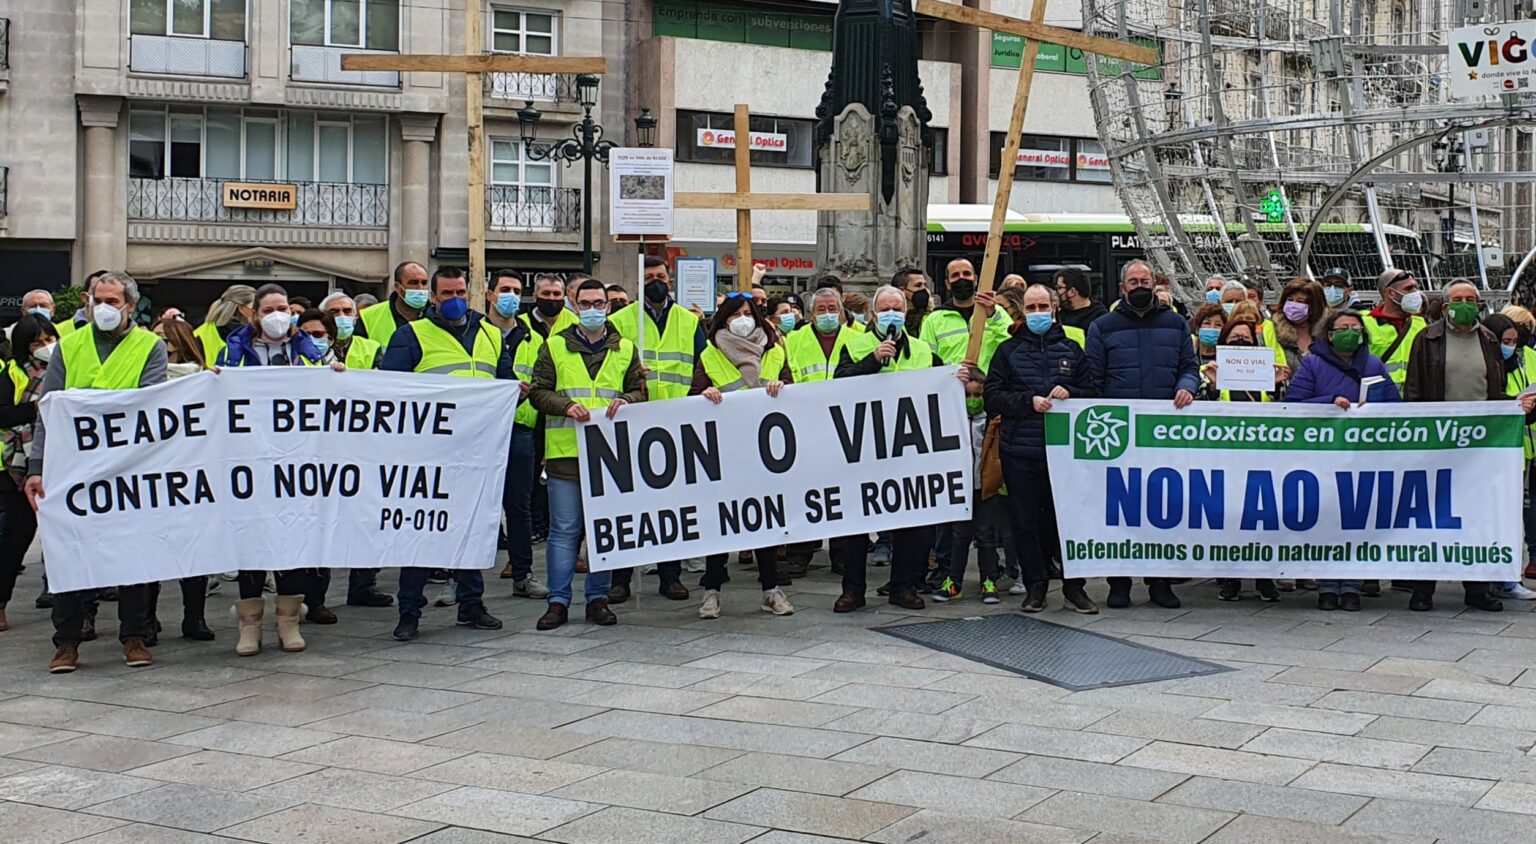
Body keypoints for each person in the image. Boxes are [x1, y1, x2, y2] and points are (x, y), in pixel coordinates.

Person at [27, 272, 166, 673]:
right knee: (68, 551)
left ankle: (134, 636)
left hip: (129, 468)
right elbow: (48, 413)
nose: (104, 307)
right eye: (98, 299)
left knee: (135, 554)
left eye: (113, 300)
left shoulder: (149, 347)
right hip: (73, 469)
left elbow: (151, 407)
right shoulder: (69, 348)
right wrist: (38, 466)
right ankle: (67, 642)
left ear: (129, 305)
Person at [381, 266, 508, 640]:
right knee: (420, 531)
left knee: (471, 529)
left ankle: (472, 604)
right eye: (447, 294)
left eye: (460, 293)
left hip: (477, 451)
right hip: (428, 454)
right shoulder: (410, 335)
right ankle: (409, 612)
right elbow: (393, 392)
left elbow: (499, 382)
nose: (454, 300)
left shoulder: (491, 333)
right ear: (433, 298)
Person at [216, 284, 331, 656]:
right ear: (254, 314)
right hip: (249, 461)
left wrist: (338, 375)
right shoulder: (234, 353)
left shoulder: (309, 354)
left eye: (284, 308)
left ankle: (288, 621)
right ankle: (249, 625)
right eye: (269, 309)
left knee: (290, 538)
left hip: (296, 460)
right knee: (250, 538)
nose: (278, 315)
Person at [831, 285, 956, 612]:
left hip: (908, 449)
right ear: (873, 315)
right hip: (864, 447)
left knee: (911, 523)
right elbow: (839, 385)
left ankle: (903, 586)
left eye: (897, 310)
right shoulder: (855, 346)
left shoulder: (923, 351)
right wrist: (873, 360)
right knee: (855, 523)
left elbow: (943, 385)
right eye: (885, 309)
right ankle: (853, 590)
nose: (892, 315)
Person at [529, 279, 644, 630]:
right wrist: (566, 406)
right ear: (574, 305)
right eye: (586, 303)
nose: (593, 309)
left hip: (608, 456)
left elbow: (640, 392)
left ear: (608, 307)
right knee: (564, 531)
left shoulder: (625, 348)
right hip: (565, 454)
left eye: (599, 303)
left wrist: (626, 401)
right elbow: (538, 393)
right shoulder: (553, 346)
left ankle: (598, 599)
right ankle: (557, 602)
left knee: (603, 531)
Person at [1085, 259, 1199, 609]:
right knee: (1120, 511)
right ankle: (1119, 583)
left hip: (1164, 434)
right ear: (1122, 288)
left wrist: (1187, 386)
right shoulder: (1102, 326)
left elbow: (1189, 368)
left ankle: (1160, 582)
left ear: (1154, 283)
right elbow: (1093, 379)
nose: (1139, 286)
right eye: (1132, 281)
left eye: (1145, 280)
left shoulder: (1176, 323)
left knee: (1163, 509)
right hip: (1121, 435)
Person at [1401, 280, 1520, 613]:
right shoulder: (1427, 339)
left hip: (1480, 444)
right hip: (1437, 440)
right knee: (1430, 514)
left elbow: (1495, 390)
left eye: (1471, 299)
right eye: (1458, 299)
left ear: (1480, 304)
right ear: (1445, 306)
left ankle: (1477, 587)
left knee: (1476, 514)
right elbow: (1414, 389)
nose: (1465, 304)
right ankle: (1424, 588)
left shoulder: (1490, 339)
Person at [985, 284, 1097, 612]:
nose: (1037, 313)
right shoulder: (1007, 351)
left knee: (1066, 521)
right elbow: (993, 397)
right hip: (1021, 450)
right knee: (1025, 521)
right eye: (1031, 307)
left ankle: (1074, 587)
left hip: (1064, 453)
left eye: (1043, 306)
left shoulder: (1072, 349)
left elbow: (1091, 390)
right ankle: (1036, 587)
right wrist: (1026, 402)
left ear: (1054, 308)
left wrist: (1071, 392)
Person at [1287, 310, 1402, 610]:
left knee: (1356, 521)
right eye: (1344, 327)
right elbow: (1292, 406)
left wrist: (1372, 407)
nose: (1351, 332)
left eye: (1356, 327)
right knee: (1327, 520)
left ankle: (1351, 585)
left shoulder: (1373, 364)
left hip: (1362, 456)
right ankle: (1326, 586)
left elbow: (1394, 406)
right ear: (1330, 334)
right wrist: (1329, 402)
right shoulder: (1313, 363)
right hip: (1324, 456)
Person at [693, 293, 797, 618]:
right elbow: (692, 399)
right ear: (723, 319)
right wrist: (704, 395)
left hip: (765, 451)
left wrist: (783, 389)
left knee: (764, 520)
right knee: (720, 522)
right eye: (735, 313)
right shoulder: (710, 355)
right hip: (725, 450)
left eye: (747, 312)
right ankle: (712, 590)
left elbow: (794, 394)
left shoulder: (775, 350)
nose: (742, 318)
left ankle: (770, 590)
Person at [607, 257, 703, 602]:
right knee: (626, 504)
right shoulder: (619, 320)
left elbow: (702, 366)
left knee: (673, 506)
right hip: (634, 421)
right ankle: (621, 578)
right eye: (648, 277)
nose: (655, 282)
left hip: (676, 422)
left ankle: (670, 575)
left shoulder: (689, 321)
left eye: (660, 276)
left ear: (670, 280)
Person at [144, 318, 216, 641]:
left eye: (164, 339)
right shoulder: (143, 382)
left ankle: (194, 617)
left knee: (194, 551)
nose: (158, 344)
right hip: (153, 474)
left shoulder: (207, 380)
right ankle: (146, 618)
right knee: (151, 549)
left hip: (195, 475)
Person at [485, 270, 548, 600]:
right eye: (504, 289)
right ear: (490, 294)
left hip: (520, 429)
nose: (510, 295)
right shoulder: (475, 334)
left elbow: (542, 382)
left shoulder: (533, 339)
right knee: (471, 504)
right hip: (479, 431)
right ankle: (458, 577)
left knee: (519, 507)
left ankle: (522, 573)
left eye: (515, 290)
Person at [0, 316, 53, 633]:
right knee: (17, 535)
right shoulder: (12, 372)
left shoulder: (65, 368)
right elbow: (2, 412)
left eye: (49, 339)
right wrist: (35, 409)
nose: (46, 348)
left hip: (61, 461)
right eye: (38, 342)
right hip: (18, 465)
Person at [1484, 313, 1536, 602]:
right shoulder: (1487, 366)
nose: (1511, 347)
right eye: (1506, 341)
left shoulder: (1523, 360)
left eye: (1515, 341)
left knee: (1512, 516)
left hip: (1518, 450)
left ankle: (1508, 577)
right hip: (1491, 449)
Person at [1363, 268, 1427, 389]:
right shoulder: (1365, 324)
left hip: (1415, 399)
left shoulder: (1420, 323)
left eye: (1415, 287)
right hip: (1382, 399)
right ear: (1391, 293)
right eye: (1408, 289)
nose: (1415, 293)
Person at [359, 261, 430, 349]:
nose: (420, 288)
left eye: (424, 283)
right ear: (397, 287)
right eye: (413, 283)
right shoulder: (368, 316)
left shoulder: (438, 316)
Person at [194, 284, 256, 367]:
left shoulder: (199, 332)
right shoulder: (252, 334)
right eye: (255, 306)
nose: (257, 310)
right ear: (241, 308)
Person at [320, 292, 383, 370]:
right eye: (334, 312)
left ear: (355, 316)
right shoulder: (316, 344)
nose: (341, 316)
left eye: (347, 311)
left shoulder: (372, 347)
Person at [1273, 277, 1326, 367]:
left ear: (1314, 307)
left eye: (1300, 301)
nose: (1293, 305)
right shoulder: (1272, 330)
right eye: (1289, 300)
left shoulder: (1325, 335)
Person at [1191, 302, 1226, 372]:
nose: (1212, 328)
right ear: (1198, 328)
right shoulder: (1188, 350)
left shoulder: (1227, 356)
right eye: (1207, 323)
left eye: (1218, 325)